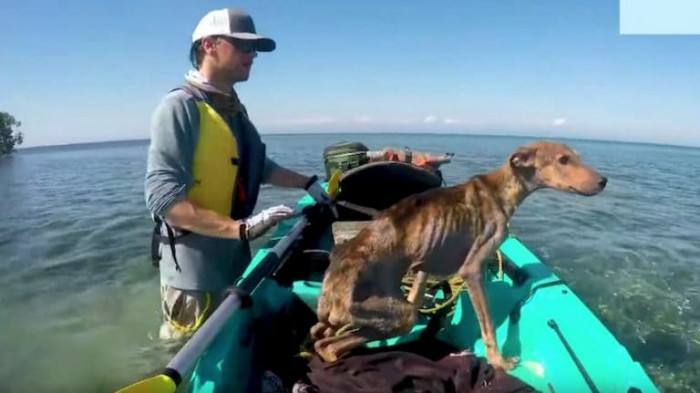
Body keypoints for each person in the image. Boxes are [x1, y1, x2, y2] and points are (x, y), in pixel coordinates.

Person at [144, 7, 331, 340]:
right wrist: (241, 228)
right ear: (209, 46)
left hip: (234, 259)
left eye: (255, 49)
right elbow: (162, 198)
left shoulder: (233, 110)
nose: (252, 55)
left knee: (230, 341)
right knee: (186, 352)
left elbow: (260, 168)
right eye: (243, 46)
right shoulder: (179, 107)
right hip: (194, 276)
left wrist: (308, 183)